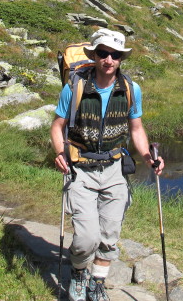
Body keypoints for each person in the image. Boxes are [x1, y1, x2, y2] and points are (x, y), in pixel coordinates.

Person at [50, 28, 164, 301]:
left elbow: (136, 129)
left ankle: (97, 282)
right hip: (81, 169)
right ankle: (79, 272)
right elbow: (57, 126)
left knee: (110, 234)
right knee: (86, 238)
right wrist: (60, 152)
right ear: (94, 55)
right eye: (103, 53)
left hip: (114, 168)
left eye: (115, 54)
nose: (109, 59)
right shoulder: (74, 87)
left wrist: (149, 156)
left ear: (121, 58)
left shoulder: (130, 89)